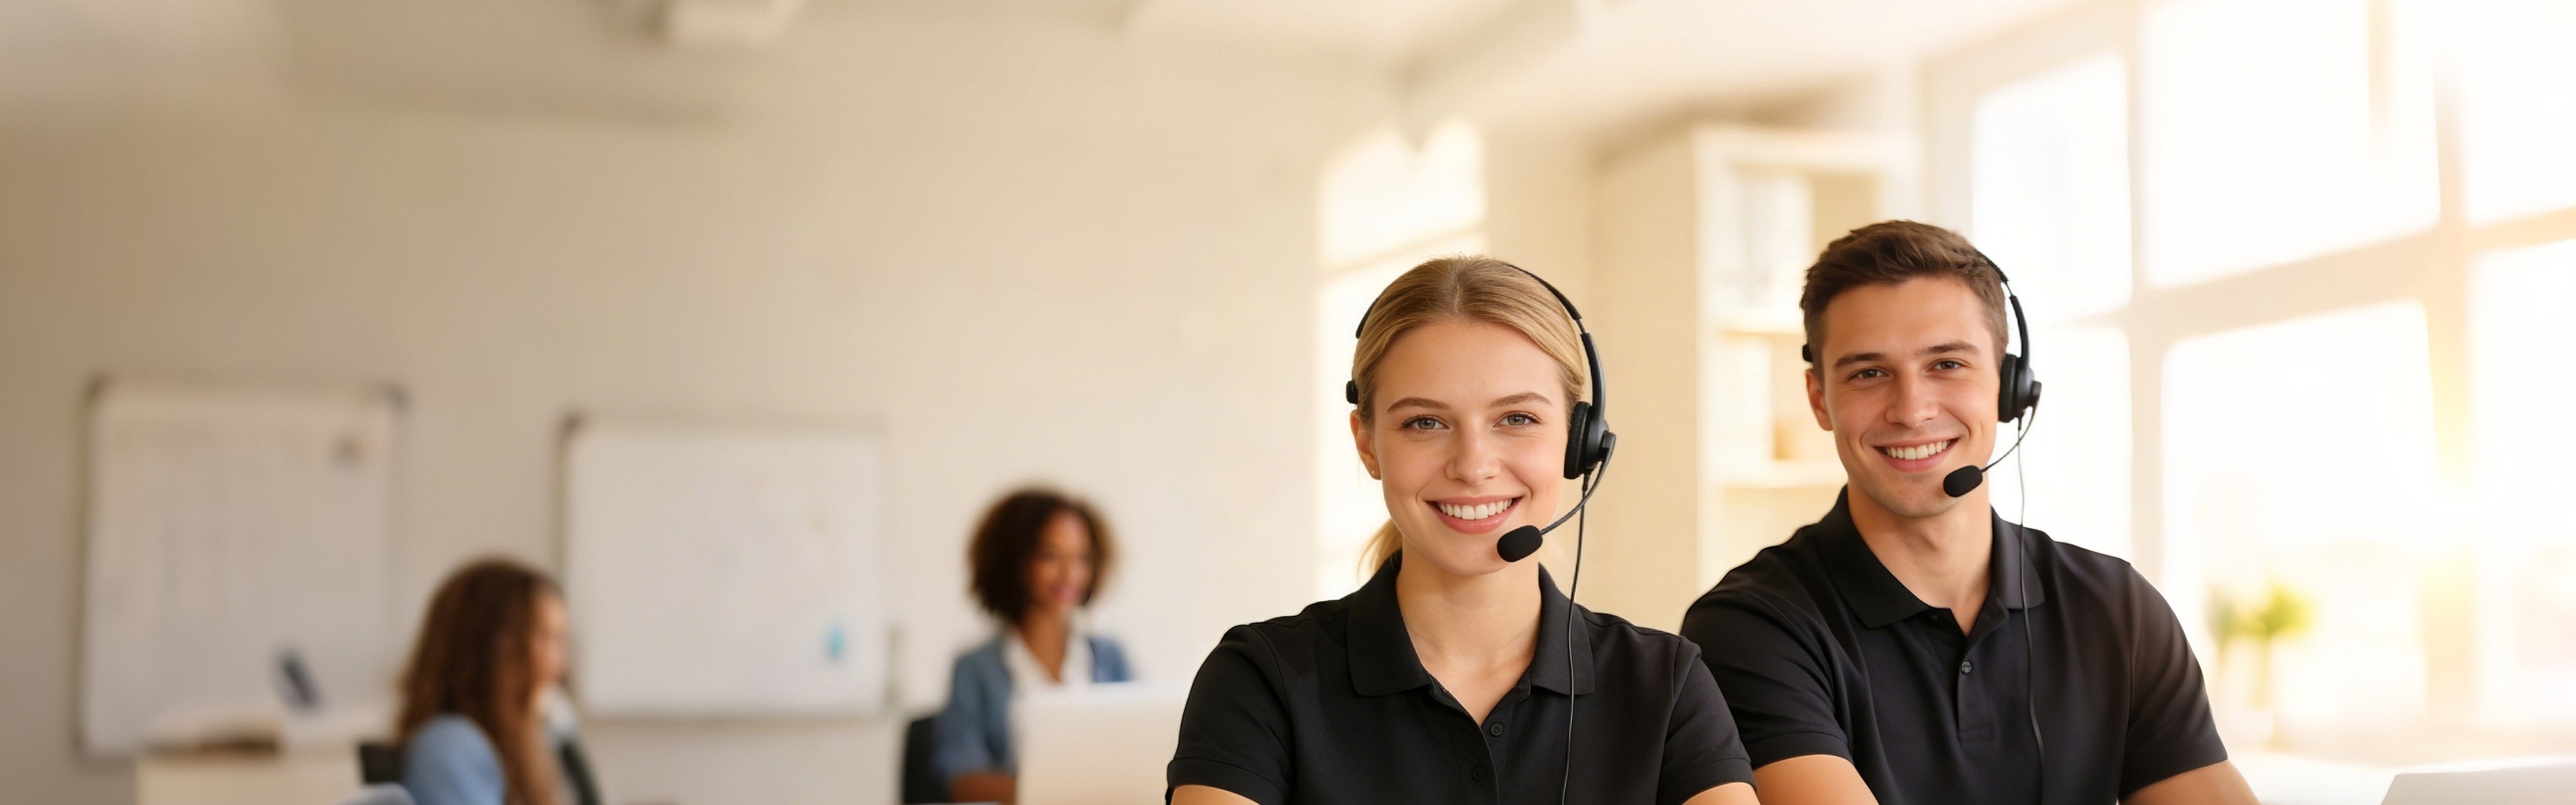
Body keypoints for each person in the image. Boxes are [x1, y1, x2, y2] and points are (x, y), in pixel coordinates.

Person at [1678, 221, 2257, 805]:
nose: (1911, 409)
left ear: (2009, 386)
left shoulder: (2117, 606)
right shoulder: (1751, 628)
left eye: (1947, 364)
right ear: (1819, 400)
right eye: (1869, 373)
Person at [1168, 257, 1760, 805]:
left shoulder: (1666, 685)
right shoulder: (1260, 679)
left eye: (1517, 419)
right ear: (1367, 443)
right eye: (1425, 422)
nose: (1473, 465)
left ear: (1579, 442)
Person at [931, 487, 1133, 803]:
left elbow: (1138, 752)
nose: (1070, 574)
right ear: (1016, 561)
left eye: (1081, 558)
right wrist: (1060, 793)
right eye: (1050, 556)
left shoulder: (1110, 658)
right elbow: (962, 778)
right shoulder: (976, 669)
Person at [395, 557, 595, 805]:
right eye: (544, 638)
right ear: (488, 650)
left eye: (560, 640)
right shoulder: (450, 746)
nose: (559, 664)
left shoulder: (529, 749)